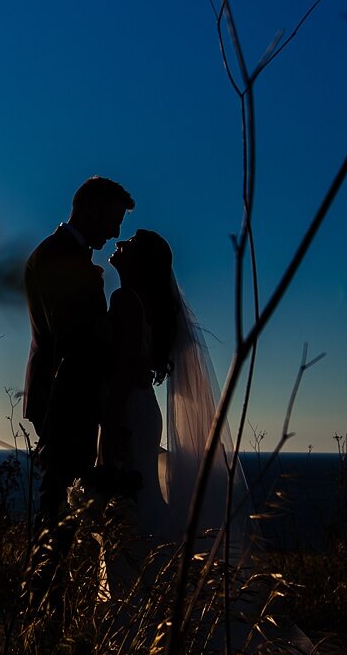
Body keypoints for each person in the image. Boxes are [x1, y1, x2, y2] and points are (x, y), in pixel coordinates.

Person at [99, 229, 248, 562]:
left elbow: (122, 374)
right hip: (142, 411)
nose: (120, 243)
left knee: (126, 501)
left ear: (142, 262)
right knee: (142, 495)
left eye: (132, 243)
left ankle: (142, 585)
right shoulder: (146, 307)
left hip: (125, 411)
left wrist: (109, 430)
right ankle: (159, 577)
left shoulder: (125, 301)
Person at [23, 176, 133, 538]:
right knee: (57, 512)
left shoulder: (65, 255)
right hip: (64, 396)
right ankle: (42, 590)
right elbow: (72, 336)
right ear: (92, 209)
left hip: (69, 394)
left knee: (63, 508)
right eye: (114, 219)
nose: (116, 231)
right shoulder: (58, 256)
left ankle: (48, 587)